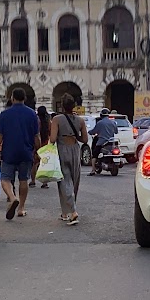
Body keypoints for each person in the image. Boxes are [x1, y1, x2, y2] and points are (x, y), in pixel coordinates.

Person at [0, 88, 40, 220]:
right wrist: (38, 151)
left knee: (5, 179)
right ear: (24, 99)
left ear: (12, 98)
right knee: (23, 180)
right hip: (26, 151)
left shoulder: (4, 115)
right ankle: (21, 208)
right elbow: (36, 136)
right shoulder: (32, 114)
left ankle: (12, 197)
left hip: (9, 152)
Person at [50, 94, 87, 225]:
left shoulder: (57, 119)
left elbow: (53, 139)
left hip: (62, 149)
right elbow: (85, 139)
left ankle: (73, 211)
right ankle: (65, 212)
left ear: (62, 106)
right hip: (75, 150)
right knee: (74, 180)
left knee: (64, 181)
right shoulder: (80, 120)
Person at [31, 104, 52, 187]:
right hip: (46, 143)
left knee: (34, 163)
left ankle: (33, 181)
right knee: (45, 163)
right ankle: (45, 182)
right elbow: (50, 132)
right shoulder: (48, 121)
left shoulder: (36, 120)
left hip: (36, 143)